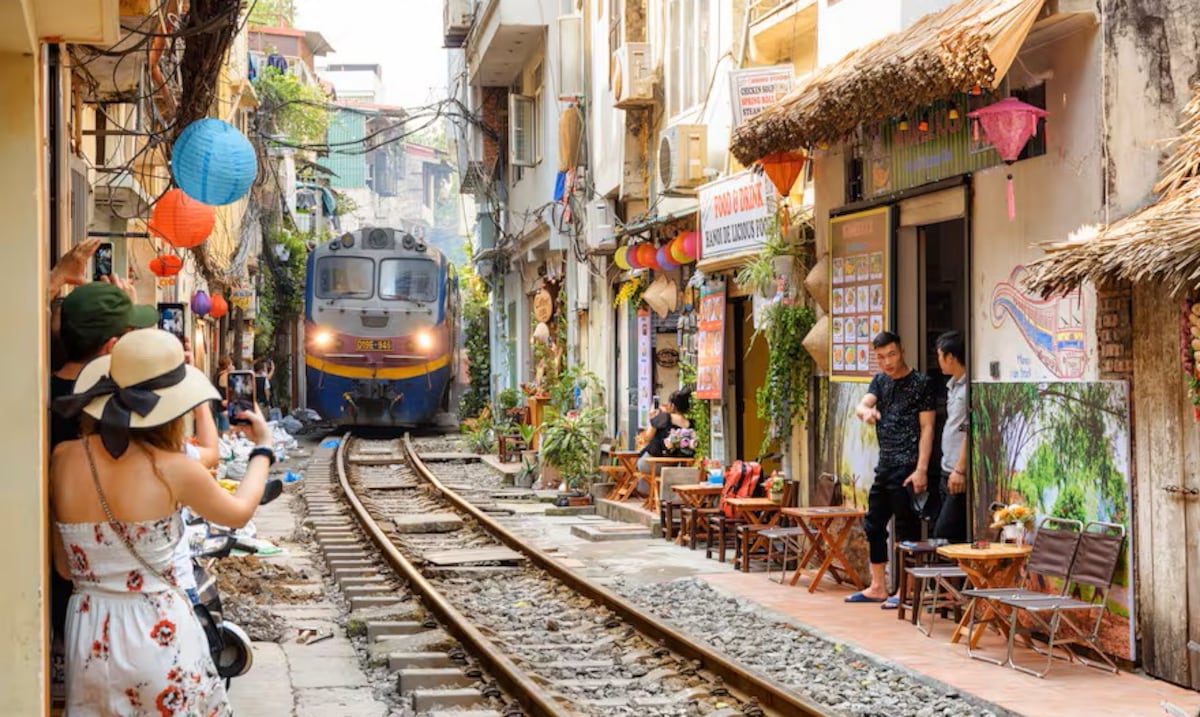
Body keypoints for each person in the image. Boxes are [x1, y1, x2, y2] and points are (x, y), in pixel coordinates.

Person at [50, 328, 272, 715]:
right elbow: (239, 511)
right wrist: (263, 450)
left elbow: (64, 568)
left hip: (88, 632)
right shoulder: (174, 468)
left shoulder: (63, 458)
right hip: (157, 631)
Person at [846, 331, 935, 608]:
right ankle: (878, 586)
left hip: (908, 465)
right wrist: (866, 413)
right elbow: (863, 405)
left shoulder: (921, 383)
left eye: (892, 354)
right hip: (885, 465)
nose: (887, 362)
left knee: (907, 529)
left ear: (902, 351)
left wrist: (921, 469)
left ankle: (905, 591)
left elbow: (927, 428)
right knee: (873, 523)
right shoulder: (880, 381)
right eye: (881, 357)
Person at [934, 331, 969, 542]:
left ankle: (950, 576)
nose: (938, 361)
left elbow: (968, 430)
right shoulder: (952, 386)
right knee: (950, 536)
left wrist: (960, 469)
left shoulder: (968, 390)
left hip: (957, 471)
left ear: (950, 357)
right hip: (946, 469)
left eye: (939, 355)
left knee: (944, 533)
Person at [636, 389, 692, 481]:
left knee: (640, 463)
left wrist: (652, 418)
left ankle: (647, 494)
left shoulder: (664, 417)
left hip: (653, 463)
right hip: (675, 465)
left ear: (672, 405)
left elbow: (647, 437)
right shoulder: (690, 424)